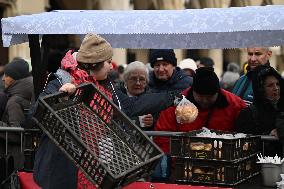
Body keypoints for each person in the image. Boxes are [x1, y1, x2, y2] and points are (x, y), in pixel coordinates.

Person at [33, 34, 179, 189]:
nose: (111, 67)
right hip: (62, 172)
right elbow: (33, 116)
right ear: (94, 63)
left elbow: (130, 106)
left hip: (95, 169)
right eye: (108, 62)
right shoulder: (62, 81)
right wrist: (59, 98)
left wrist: (173, 97)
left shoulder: (105, 87)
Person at [152, 67, 245, 181]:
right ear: (193, 91)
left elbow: (244, 136)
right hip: (184, 168)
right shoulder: (177, 104)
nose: (205, 101)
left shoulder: (235, 105)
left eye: (210, 97)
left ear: (218, 92)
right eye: (200, 96)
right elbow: (162, 137)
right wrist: (179, 161)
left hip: (224, 169)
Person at [235, 65, 284, 157]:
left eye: (277, 84)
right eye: (270, 85)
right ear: (261, 89)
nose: (276, 88)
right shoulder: (248, 114)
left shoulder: (281, 108)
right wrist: (267, 135)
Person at [117, 61, 154, 130]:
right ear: (126, 80)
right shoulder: (116, 94)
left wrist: (153, 122)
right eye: (133, 79)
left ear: (146, 82)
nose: (138, 83)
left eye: (142, 79)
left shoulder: (152, 97)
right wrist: (137, 121)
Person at [1, 58, 34, 127]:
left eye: (6, 75)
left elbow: (16, 134)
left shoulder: (14, 101)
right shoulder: (26, 93)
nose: (3, 79)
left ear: (14, 78)